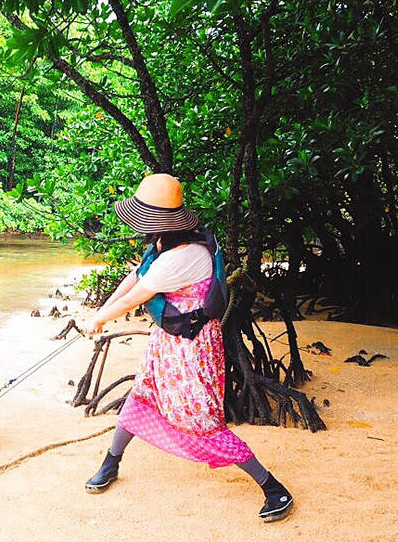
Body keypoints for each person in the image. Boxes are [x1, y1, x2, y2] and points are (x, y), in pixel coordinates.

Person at [84, 173, 293, 523]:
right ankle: (111, 463)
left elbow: (138, 296)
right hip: (167, 344)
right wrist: (100, 313)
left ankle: (273, 488)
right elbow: (135, 277)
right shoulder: (166, 243)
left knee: (203, 421)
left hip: (192, 351)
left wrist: (101, 318)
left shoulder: (182, 257)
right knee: (141, 396)